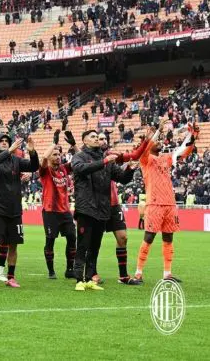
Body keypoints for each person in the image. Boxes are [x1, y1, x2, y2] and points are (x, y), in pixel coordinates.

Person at [71, 130, 135, 291]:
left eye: (97, 136)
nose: (96, 139)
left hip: (102, 209)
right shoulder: (80, 157)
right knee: (83, 244)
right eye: (92, 136)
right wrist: (104, 161)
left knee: (95, 246)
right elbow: (80, 169)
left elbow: (122, 178)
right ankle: (79, 279)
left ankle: (89, 278)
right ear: (84, 141)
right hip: (86, 207)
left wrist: (130, 169)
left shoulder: (107, 160)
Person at [134, 122, 197, 283]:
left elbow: (184, 151)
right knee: (148, 238)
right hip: (154, 204)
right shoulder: (146, 159)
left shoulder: (166, 158)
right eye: (158, 141)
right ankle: (138, 273)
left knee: (168, 239)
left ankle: (167, 274)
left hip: (170, 204)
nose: (161, 142)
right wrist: (157, 132)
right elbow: (147, 145)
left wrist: (192, 135)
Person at [0, 134, 39, 288]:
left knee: (13, 244)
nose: (4, 142)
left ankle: (11, 277)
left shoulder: (16, 161)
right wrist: (8, 151)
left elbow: (34, 167)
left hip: (14, 209)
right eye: (1, 141)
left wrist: (32, 153)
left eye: (6, 141)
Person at [97, 132, 146, 285]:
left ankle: (123, 276)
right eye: (99, 138)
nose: (103, 140)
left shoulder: (112, 156)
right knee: (93, 242)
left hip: (113, 204)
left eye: (105, 138)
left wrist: (147, 140)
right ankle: (92, 273)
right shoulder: (88, 158)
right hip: (97, 205)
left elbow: (135, 154)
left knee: (123, 238)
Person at [39, 140, 76, 280]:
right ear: (49, 157)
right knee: (50, 240)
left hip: (65, 211)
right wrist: (53, 145)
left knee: (72, 238)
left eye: (59, 154)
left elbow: (79, 159)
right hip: (50, 211)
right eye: (54, 154)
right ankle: (51, 271)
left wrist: (73, 145)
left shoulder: (64, 168)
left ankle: (70, 270)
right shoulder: (45, 170)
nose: (58, 156)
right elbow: (43, 158)